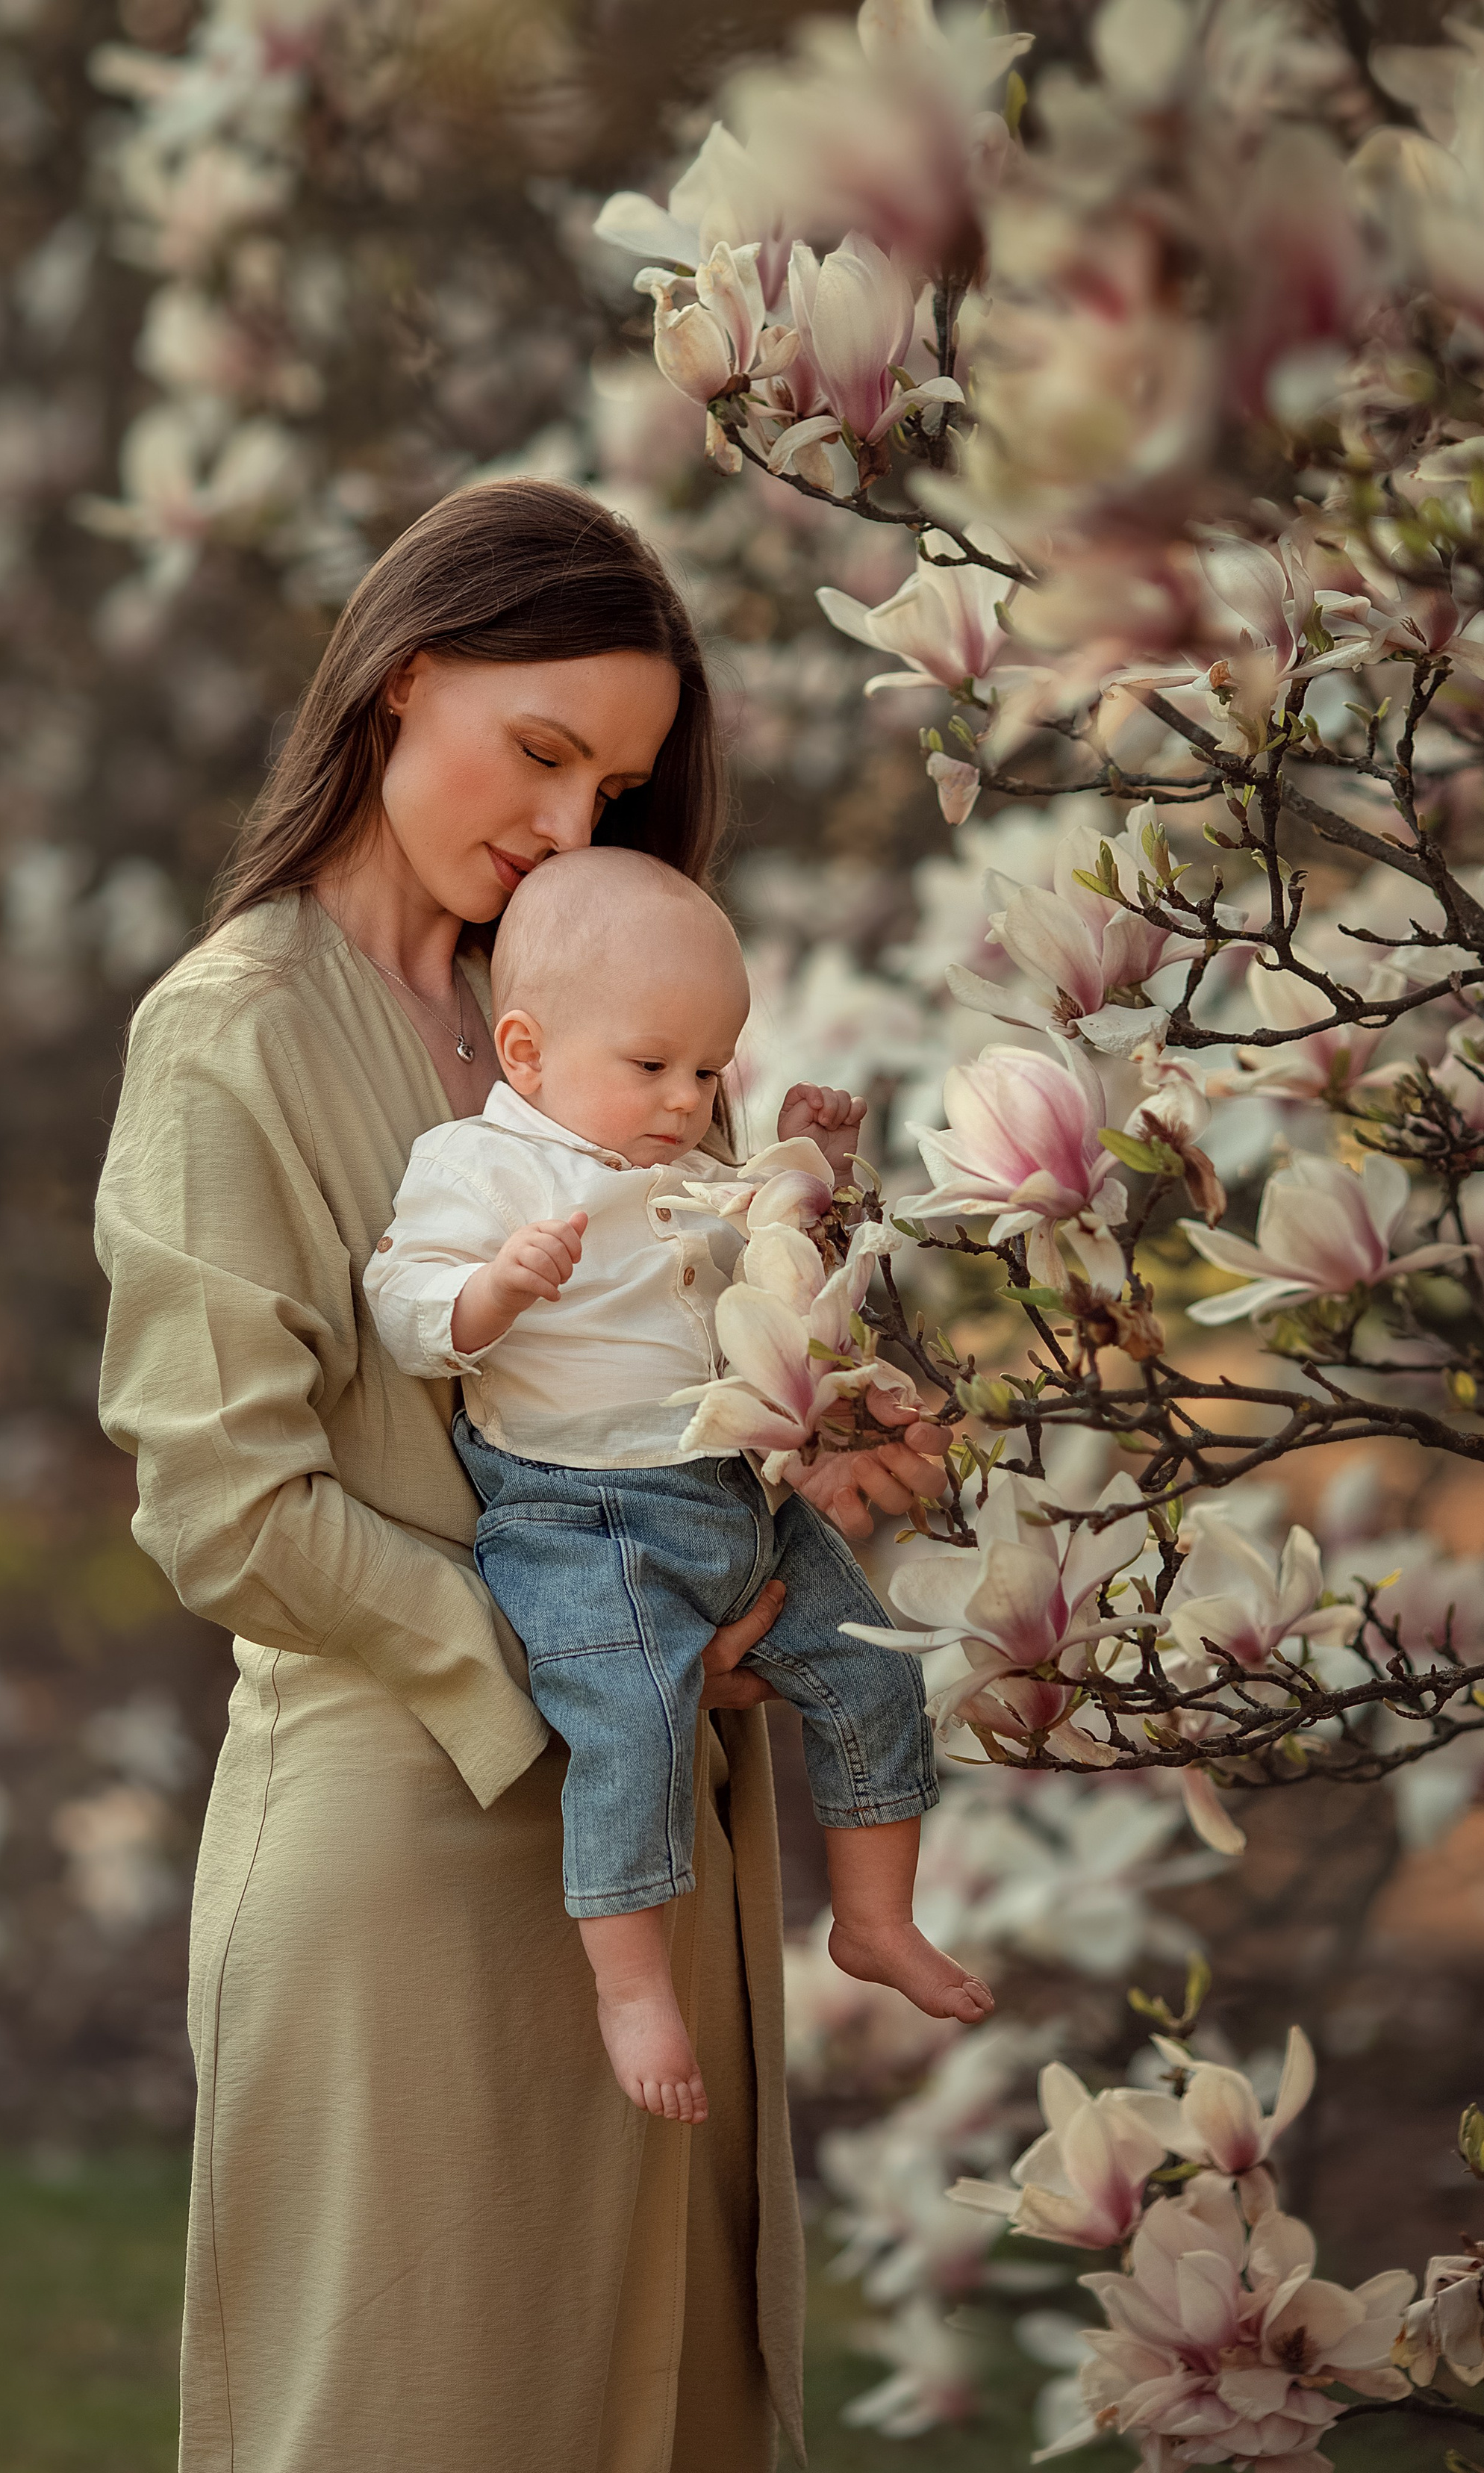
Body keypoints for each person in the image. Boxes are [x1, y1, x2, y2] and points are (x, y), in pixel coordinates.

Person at [93, 477, 950, 2473]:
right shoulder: (229, 1043)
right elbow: (225, 1506)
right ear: (403, 688)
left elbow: (683, 1356)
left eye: (615, 787)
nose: (571, 827)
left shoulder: (600, 1018)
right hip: (413, 1848)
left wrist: (828, 1428)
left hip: (672, 1844)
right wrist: (581, 1659)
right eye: (542, 753)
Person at [364, 847, 994, 2127]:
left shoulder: (698, 1173)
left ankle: (875, 1920)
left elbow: (796, 1285)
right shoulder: (481, 1170)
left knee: (873, 1670)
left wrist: (813, 1167)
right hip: (575, 1513)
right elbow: (404, 1303)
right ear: (527, 1052)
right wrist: (496, 1292)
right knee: (636, 1725)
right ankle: (632, 1984)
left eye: (710, 1070)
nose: (685, 1098)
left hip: (730, 1495)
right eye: (651, 1066)